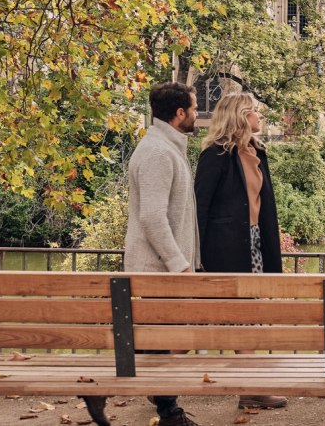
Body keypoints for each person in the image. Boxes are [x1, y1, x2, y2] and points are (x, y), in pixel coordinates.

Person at [112, 81, 201, 426]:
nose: (196, 114)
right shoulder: (158, 153)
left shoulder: (166, 147)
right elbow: (152, 216)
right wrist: (179, 264)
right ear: (179, 114)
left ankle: (163, 399)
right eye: (193, 109)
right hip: (157, 269)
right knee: (164, 340)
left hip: (160, 268)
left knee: (164, 341)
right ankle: (169, 410)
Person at [194, 93, 287, 410]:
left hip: (255, 245)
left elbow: (264, 208)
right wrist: (198, 261)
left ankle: (252, 389)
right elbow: (200, 210)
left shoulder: (257, 151)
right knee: (227, 321)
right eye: (255, 112)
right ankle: (251, 388)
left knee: (253, 319)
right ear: (241, 116)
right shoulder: (215, 156)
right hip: (225, 250)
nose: (260, 117)